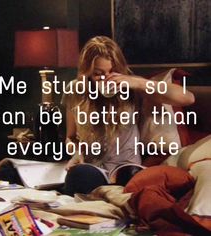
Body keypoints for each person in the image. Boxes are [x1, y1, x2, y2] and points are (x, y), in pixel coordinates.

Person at [61, 36, 195, 196]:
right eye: (98, 74)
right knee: (78, 177)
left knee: (140, 184)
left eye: (112, 72)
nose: (106, 79)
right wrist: (76, 153)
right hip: (94, 169)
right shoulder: (75, 91)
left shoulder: (132, 87)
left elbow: (187, 98)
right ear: (88, 73)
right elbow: (70, 137)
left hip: (127, 170)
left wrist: (137, 83)